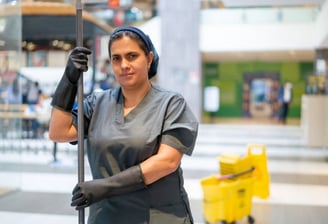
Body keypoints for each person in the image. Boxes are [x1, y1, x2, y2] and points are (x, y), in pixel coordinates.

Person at [48, 26, 199, 224]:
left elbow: (166, 162)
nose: (124, 65)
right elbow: (58, 132)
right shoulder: (96, 104)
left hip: (157, 216)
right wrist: (68, 79)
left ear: (149, 58)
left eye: (132, 56)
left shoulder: (171, 104)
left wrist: (105, 187)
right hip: (107, 217)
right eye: (116, 58)